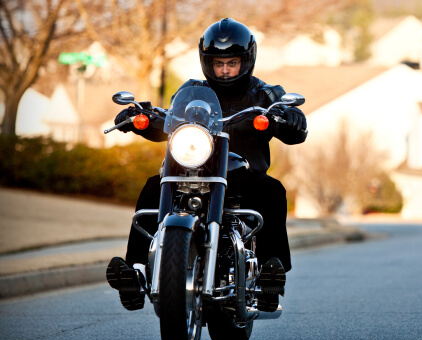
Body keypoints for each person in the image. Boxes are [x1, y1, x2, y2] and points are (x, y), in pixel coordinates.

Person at [105, 18, 307, 312]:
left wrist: (290, 119)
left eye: (232, 62)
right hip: (192, 171)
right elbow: (169, 118)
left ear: (246, 60)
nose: (225, 69)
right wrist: (140, 116)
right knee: (154, 185)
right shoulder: (192, 91)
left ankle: (269, 277)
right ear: (206, 62)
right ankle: (135, 270)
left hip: (241, 177)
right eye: (218, 62)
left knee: (272, 190)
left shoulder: (264, 94)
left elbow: (290, 125)